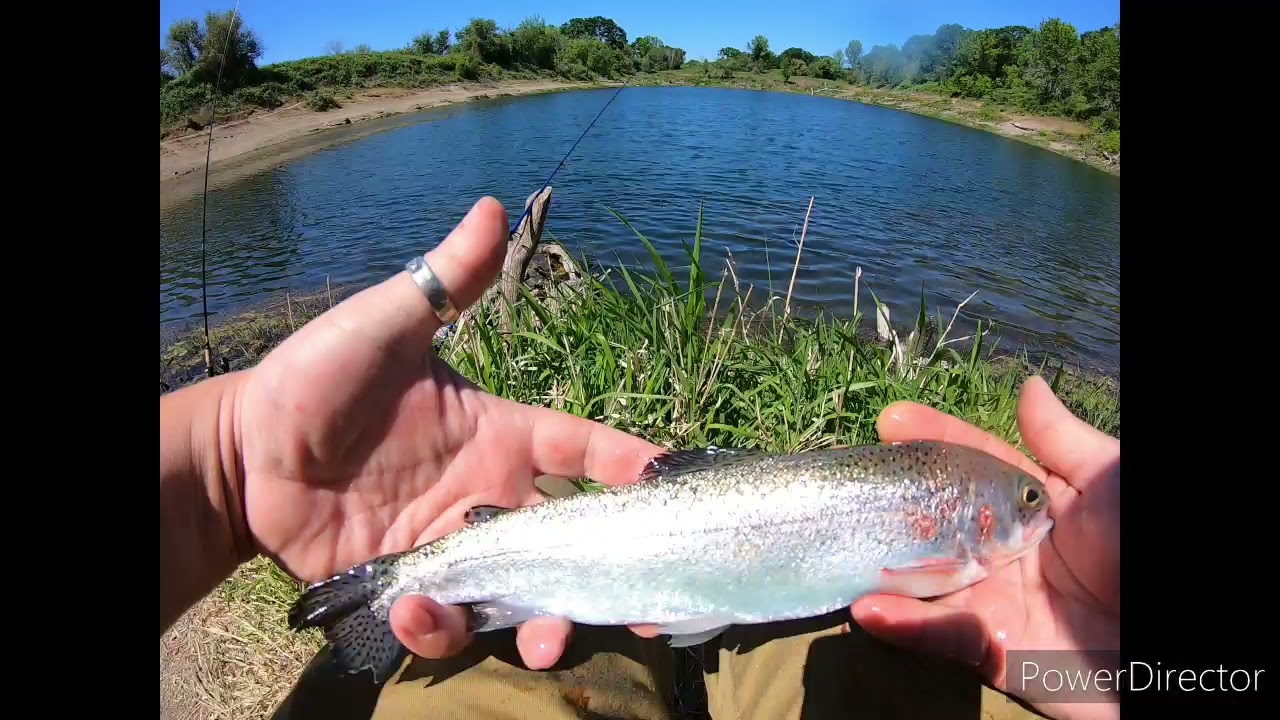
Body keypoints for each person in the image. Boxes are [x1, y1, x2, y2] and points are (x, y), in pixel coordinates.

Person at [160, 197, 1119, 720]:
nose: (1037, 512)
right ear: (969, 515)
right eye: (1029, 500)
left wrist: (230, 467)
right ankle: (393, 597)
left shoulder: (993, 558)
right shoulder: (979, 550)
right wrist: (232, 460)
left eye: (1030, 500)